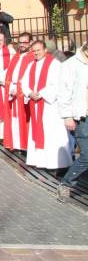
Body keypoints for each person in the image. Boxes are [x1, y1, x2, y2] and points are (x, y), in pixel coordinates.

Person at [21, 41, 72, 170]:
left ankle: (58, 163)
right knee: (38, 131)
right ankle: (40, 161)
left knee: (52, 133)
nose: (36, 53)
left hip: (50, 105)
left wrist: (41, 94)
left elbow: (57, 84)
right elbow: (24, 82)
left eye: (39, 50)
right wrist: (30, 93)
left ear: (45, 50)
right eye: (34, 51)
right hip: (36, 103)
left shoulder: (54, 64)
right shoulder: (31, 65)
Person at [56, 42, 88, 202]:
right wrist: (67, 116)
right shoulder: (71, 65)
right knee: (87, 155)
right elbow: (63, 92)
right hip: (81, 116)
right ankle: (66, 183)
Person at [3, 32, 34, 151]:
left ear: (30, 42)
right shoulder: (15, 57)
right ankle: (15, 144)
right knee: (14, 120)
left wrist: (19, 89)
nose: (22, 45)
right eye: (20, 42)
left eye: (25, 42)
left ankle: (24, 145)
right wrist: (11, 87)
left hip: (24, 95)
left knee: (24, 120)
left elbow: (30, 78)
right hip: (13, 92)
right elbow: (9, 75)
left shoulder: (32, 57)